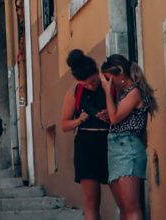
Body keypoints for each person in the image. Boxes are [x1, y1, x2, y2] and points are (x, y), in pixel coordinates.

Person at [100, 54, 157, 220]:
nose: (109, 84)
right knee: (124, 209)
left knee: (131, 208)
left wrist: (107, 93)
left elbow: (116, 118)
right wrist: (108, 114)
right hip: (116, 148)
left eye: (109, 79)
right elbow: (117, 117)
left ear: (120, 74)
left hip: (128, 148)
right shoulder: (123, 94)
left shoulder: (134, 92)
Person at [60, 49, 110, 220]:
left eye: (92, 81)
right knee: (91, 202)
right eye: (85, 84)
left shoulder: (108, 85)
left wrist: (111, 116)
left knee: (124, 197)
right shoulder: (74, 92)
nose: (90, 86)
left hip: (110, 142)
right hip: (86, 145)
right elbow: (64, 125)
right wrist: (78, 121)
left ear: (97, 72)